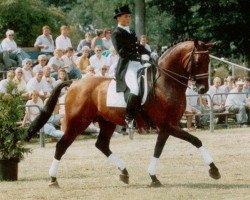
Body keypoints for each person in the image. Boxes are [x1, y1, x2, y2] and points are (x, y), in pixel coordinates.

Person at [111, 4, 150, 128]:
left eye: (129, 17)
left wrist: (149, 54)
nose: (128, 19)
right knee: (135, 88)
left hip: (138, 64)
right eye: (126, 17)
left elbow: (137, 46)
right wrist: (139, 57)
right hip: (127, 66)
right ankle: (129, 117)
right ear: (119, 18)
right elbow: (122, 53)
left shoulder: (131, 30)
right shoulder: (116, 33)